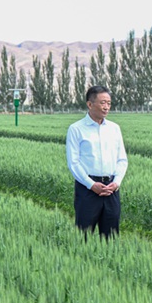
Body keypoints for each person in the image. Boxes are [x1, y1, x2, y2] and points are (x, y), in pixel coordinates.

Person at [66, 86, 128, 238]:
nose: (106, 107)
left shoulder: (114, 129)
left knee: (111, 238)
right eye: (102, 103)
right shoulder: (76, 129)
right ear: (89, 104)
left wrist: (117, 182)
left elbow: (122, 159)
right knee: (83, 237)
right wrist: (91, 185)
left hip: (111, 188)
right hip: (87, 190)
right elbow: (73, 163)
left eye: (109, 103)